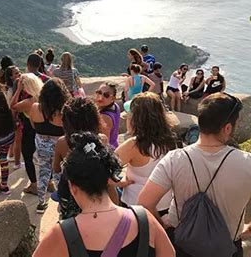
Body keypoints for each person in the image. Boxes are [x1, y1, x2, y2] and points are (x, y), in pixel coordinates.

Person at [139, 93, 251, 257]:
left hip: (180, 243)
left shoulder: (175, 159)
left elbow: (145, 202)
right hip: (226, 247)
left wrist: (162, 225)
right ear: (227, 128)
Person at [34, 132, 175, 257]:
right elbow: (169, 254)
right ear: (108, 179)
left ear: (72, 186)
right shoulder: (145, 219)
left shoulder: (61, 234)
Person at [115, 93, 176, 219]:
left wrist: (119, 183)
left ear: (136, 119)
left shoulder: (134, 145)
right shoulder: (172, 141)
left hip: (135, 208)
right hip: (165, 206)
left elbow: (101, 170)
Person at [53, 97, 111, 219]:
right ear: (95, 119)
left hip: (72, 195)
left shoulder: (62, 143)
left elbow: (56, 169)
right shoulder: (102, 140)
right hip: (97, 193)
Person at [29, 78, 71, 213]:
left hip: (41, 145)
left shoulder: (35, 107)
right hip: (58, 147)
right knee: (59, 175)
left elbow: (33, 125)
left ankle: (41, 203)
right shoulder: (63, 112)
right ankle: (62, 204)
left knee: (42, 173)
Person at [10, 73, 44, 195]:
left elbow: (12, 106)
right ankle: (48, 182)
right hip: (42, 129)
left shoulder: (29, 101)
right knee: (44, 158)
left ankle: (34, 185)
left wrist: (18, 90)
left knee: (28, 157)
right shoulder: (42, 96)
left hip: (30, 131)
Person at [5, 66, 22, 168]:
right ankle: (17, 163)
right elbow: (11, 106)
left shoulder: (13, 88)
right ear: (11, 77)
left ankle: (11, 155)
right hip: (13, 117)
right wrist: (14, 119)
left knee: (14, 139)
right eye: (16, 73)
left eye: (19, 72)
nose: (19, 74)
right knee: (17, 140)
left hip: (13, 117)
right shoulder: (12, 90)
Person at [94, 82, 121, 149]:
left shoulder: (104, 117)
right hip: (115, 145)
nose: (101, 97)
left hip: (108, 152)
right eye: (99, 92)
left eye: (106, 95)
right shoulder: (115, 106)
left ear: (113, 98)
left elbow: (104, 143)